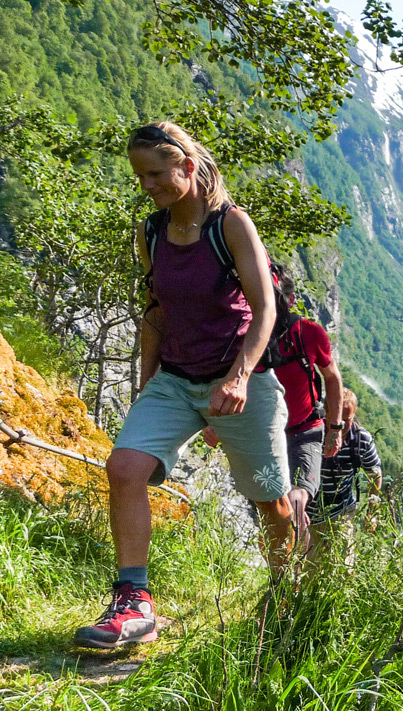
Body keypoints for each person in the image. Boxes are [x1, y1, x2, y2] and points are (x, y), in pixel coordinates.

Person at [73, 122, 293, 649]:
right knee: (124, 467)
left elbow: (265, 310)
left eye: (155, 173)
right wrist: (146, 384)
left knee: (272, 504)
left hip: (240, 381)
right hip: (174, 380)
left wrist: (239, 377)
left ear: (186, 168)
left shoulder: (231, 225)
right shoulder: (151, 231)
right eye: (139, 177)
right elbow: (156, 310)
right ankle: (134, 603)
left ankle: (290, 599)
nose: (146, 185)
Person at [204, 267, 344, 547]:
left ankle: (294, 577)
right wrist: (216, 422)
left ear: (289, 301)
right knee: (270, 511)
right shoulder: (243, 337)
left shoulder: (309, 333)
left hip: (305, 431)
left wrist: (335, 427)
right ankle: (283, 576)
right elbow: (229, 380)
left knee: (297, 498)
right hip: (264, 434)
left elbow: (333, 378)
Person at [306, 388, 382, 567]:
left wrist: (371, 513)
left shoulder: (361, 439)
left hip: (341, 511)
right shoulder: (312, 433)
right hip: (308, 513)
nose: (340, 425)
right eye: (336, 418)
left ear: (354, 416)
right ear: (327, 413)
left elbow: (375, 474)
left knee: (344, 568)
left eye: (347, 420)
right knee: (309, 570)